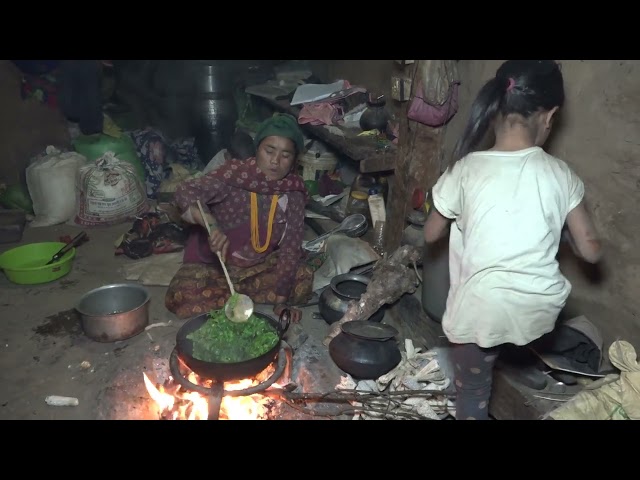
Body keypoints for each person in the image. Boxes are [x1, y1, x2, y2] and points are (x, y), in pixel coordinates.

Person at [423, 60, 603, 420]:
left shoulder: (465, 168)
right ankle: (523, 359)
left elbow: (430, 234)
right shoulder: (561, 173)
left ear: (493, 110)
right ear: (549, 116)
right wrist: (559, 234)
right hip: (539, 313)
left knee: (473, 388)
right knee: (521, 316)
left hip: (480, 312)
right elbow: (592, 252)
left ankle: (487, 374)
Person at [166, 113, 314, 322]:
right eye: (269, 151)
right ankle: (235, 295)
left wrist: (282, 302)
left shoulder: (293, 192)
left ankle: (232, 296)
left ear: (294, 160)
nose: (275, 161)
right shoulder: (235, 174)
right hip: (216, 266)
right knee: (183, 294)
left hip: (258, 267)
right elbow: (186, 192)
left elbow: (290, 247)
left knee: (303, 277)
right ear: (257, 150)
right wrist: (212, 226)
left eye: (285, 155)